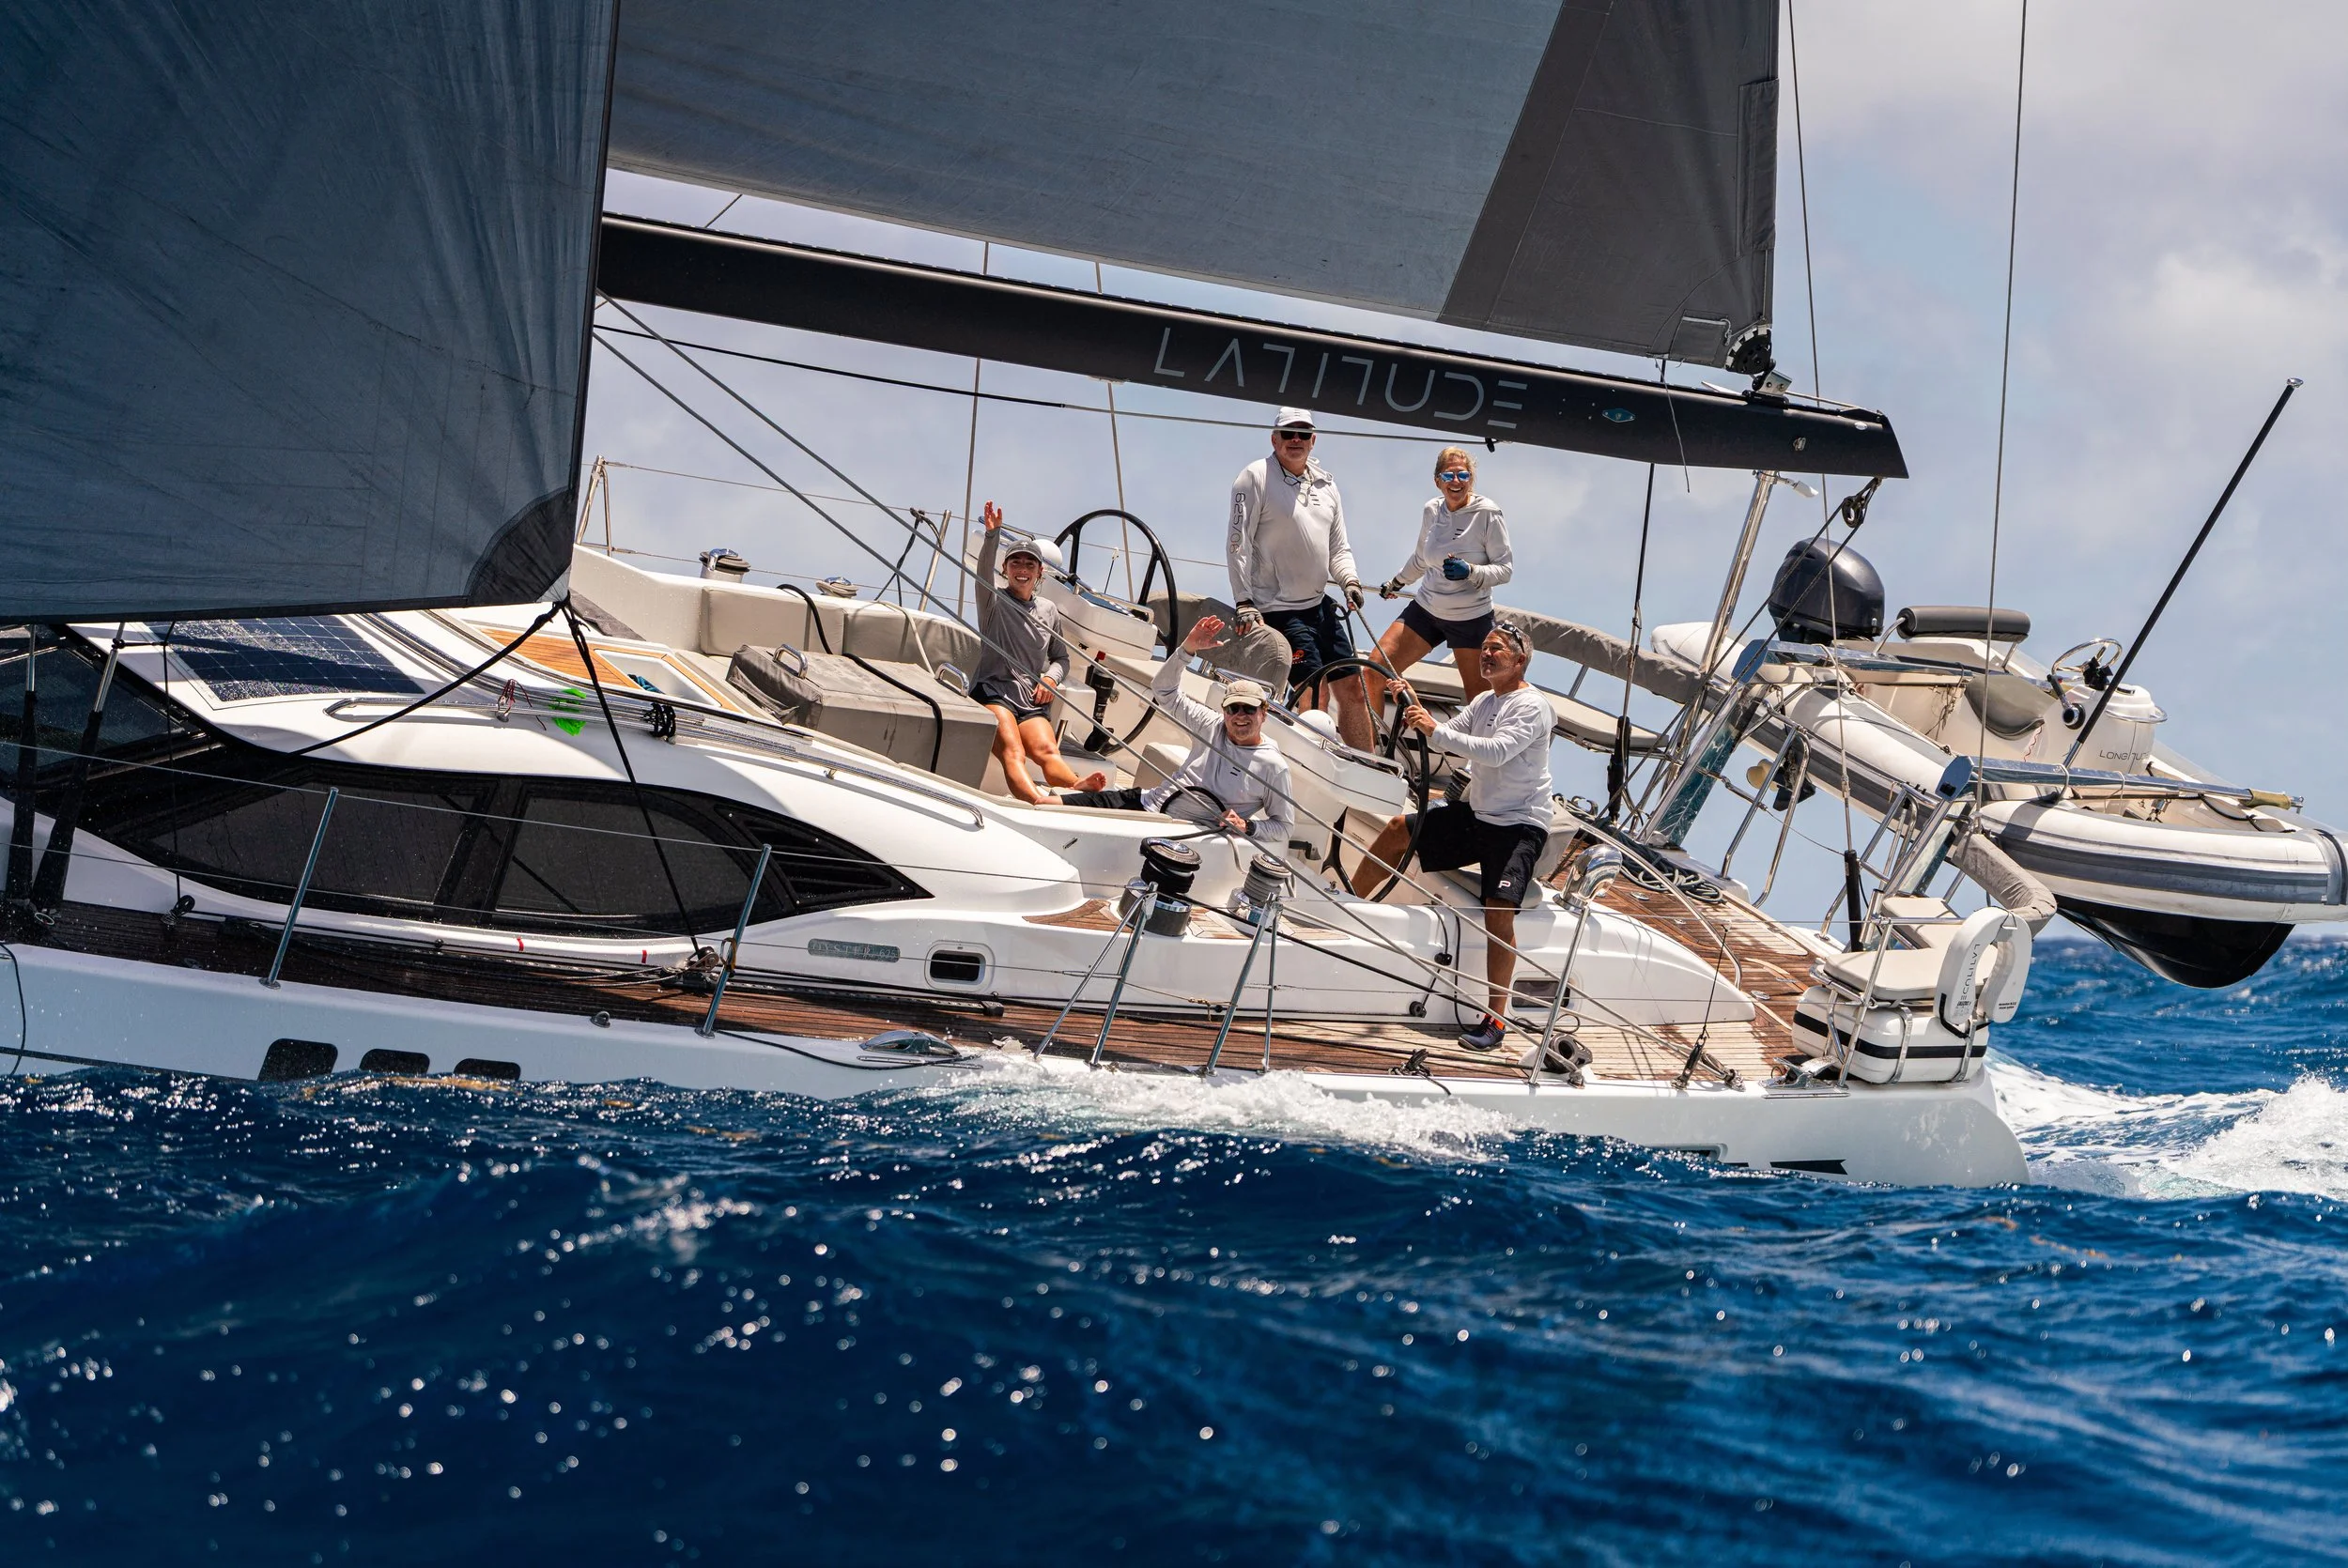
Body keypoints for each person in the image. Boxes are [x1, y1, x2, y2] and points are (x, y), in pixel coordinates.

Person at [1350, 623, 1553, 1052]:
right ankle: (1346, 912)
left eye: (1496, 649)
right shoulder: (1484, 700)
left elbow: (1496, 751)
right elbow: (1453, 739)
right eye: (1484, 648)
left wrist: (1433, 729)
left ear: (1520, 661)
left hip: (1518, 825)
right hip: (1479, 815)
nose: (1486, 654)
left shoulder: (1532, 706)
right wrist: (1414, 704)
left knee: (1498, 914)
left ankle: (1496, 1020)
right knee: (1395, 831)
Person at [1058, 615, 1294, 845]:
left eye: (1249, 709)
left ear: (1263, 713)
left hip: (1187, 835)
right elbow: (1163, 691)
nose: (1240, 716)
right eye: (1233, 708)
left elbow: (1283, 827)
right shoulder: (1211, 724)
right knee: (1048, 803)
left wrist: (1247, 826)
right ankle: (1086, 790)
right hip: (1147, 805)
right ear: (1224, 711)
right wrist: (1187, 649)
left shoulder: (1272, 766)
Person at [1227, 407, 1375, 749]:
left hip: (1319, 605)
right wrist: (1244, 601)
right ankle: (1312, 767)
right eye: (1289, 433)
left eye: (1303, 434)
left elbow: (1339, 547)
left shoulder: (1326, 483)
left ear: (1313, 440)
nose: (1296, 440)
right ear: (1274, 438)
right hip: (1277, 608)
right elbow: (1238, 543)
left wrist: (1350, 582)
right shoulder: (1254, 477)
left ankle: (1369, 765)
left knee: (1351, 686)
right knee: (1313, 688)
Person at [970, 501, 1104, 803]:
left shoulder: (1049, 610)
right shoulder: (993, 601)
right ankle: (1038, 800)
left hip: (1029, 701)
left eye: (1029, 564)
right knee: (1013, 752)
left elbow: (1062, 658)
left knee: (1048, 751)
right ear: (1004, 569)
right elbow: (981, 571)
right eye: (1015, 563)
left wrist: (1052, 680)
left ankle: (1075, 785)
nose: (1022, 569)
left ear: (1040, 572)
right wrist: (993, 536)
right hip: (993, 694)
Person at [1373, 446, 1513, 701]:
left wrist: (1469, 571)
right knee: (1374, 670)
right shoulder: (1431, 509)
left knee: (1480, 702)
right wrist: (1397, 582)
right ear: (1438, 481)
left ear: (1472, 479)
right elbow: (1421, 559)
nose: (1456, 482)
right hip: (1427, 610)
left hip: (1471, 619)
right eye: (1448, 476)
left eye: (1463, 475)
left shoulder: (1488, 513)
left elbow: (1505, 570)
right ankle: (1367, 743)